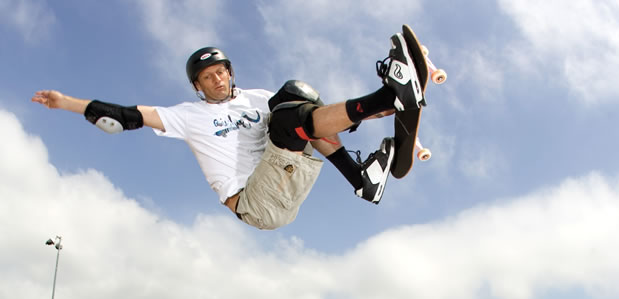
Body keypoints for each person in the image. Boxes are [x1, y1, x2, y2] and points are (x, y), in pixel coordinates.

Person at [32, 33, 426, 230]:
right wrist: (66, 101)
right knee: (290, 119)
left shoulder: (255, 97)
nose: (218, 80)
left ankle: (362, 176)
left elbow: (318, 118)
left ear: (230, 72)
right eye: (208, 77)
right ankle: (386, 96)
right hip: (255, 203)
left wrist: (393, 108)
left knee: (294, 98)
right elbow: (125, 114)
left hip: (284, 176)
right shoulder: (187, 115)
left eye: (221, 72)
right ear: (197, 86)